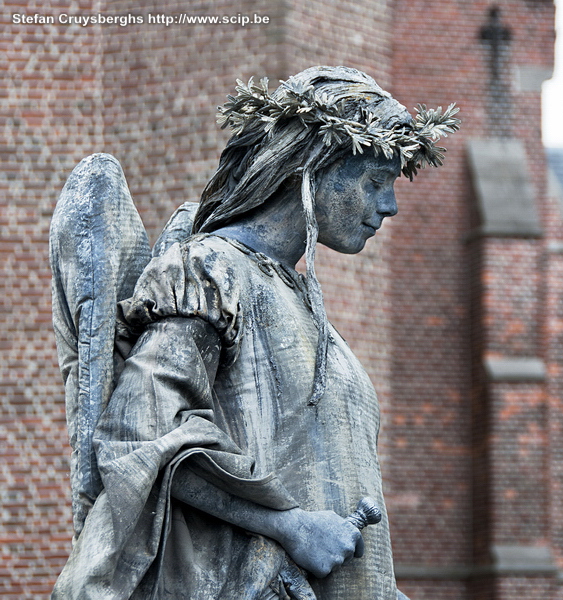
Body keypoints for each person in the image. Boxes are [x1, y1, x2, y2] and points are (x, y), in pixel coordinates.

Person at [50, 66, 459, 599]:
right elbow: (141, 433)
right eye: (373, 182)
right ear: (311, 170)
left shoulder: (308, 307)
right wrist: (289, 524)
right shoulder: (209, 272)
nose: (390, 206)